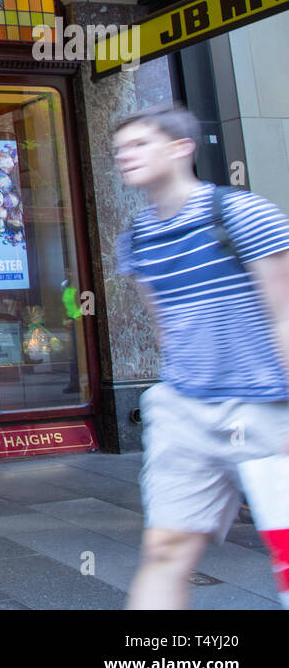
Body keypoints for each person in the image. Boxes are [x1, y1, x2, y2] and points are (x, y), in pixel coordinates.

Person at [114, 105, 289, 610]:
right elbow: (166, 327)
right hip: (185, 408)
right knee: (165, 547)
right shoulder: (138, 238)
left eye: (140, 144)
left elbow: (283, 316)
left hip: (263, 405)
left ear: (181, 147)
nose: (126, 156)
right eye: (121, 149)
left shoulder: (243, 214)